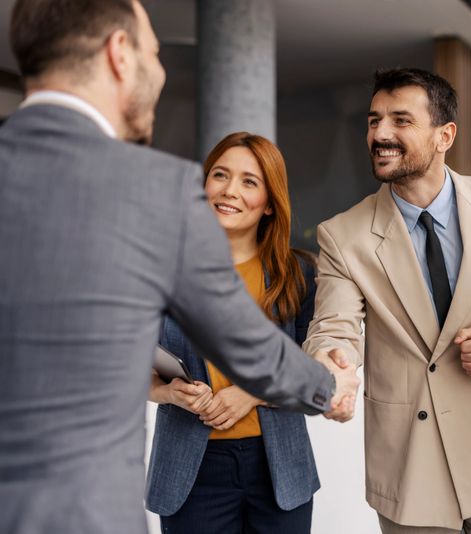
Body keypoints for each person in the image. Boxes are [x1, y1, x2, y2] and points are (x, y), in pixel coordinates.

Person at [0, 2, 358, 533]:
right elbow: (250, 348)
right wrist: (329, 386)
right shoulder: (156, 190)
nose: (161, 71)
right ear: (120, 54)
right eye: (154, 52)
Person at [303, 67, 471, 533]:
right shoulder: (343, 235)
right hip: (411, 467)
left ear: (445, 135)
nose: (380, 133)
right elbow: (334, 326)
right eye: (373, 120)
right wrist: (332, 367)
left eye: (400, 120)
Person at [146, 133, 319, 533]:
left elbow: (318, 372)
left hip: (279, 469)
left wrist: (252, 392)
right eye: (220, 175)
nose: (229, 191)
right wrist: (167, 392)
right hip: (191, 472)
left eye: (249, 181)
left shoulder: (300, 274)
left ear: (271, 203)